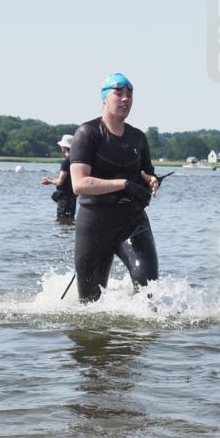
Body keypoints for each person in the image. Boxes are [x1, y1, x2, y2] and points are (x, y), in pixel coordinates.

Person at [69, 72, 160, 303]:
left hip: (132, 220)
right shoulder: (87, 134)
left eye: (129, 94)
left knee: (148, 289)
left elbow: (146, 174)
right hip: (95, 222)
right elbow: (79, 184)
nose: (125, 99)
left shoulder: (138, 138)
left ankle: (144, 337)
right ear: (104, 99)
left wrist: (152, 181)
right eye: (118, 93)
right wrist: (124, 184)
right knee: (89, 304)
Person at [41, 134, 77, 222]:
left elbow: (60, 182)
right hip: (73, 195)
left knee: (61, 220)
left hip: (64, 196)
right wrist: (53, 180)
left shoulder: (66, 161)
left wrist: (49, 181)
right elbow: (68, 179)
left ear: (64, 146)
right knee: (70, 219)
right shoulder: (76, 160)